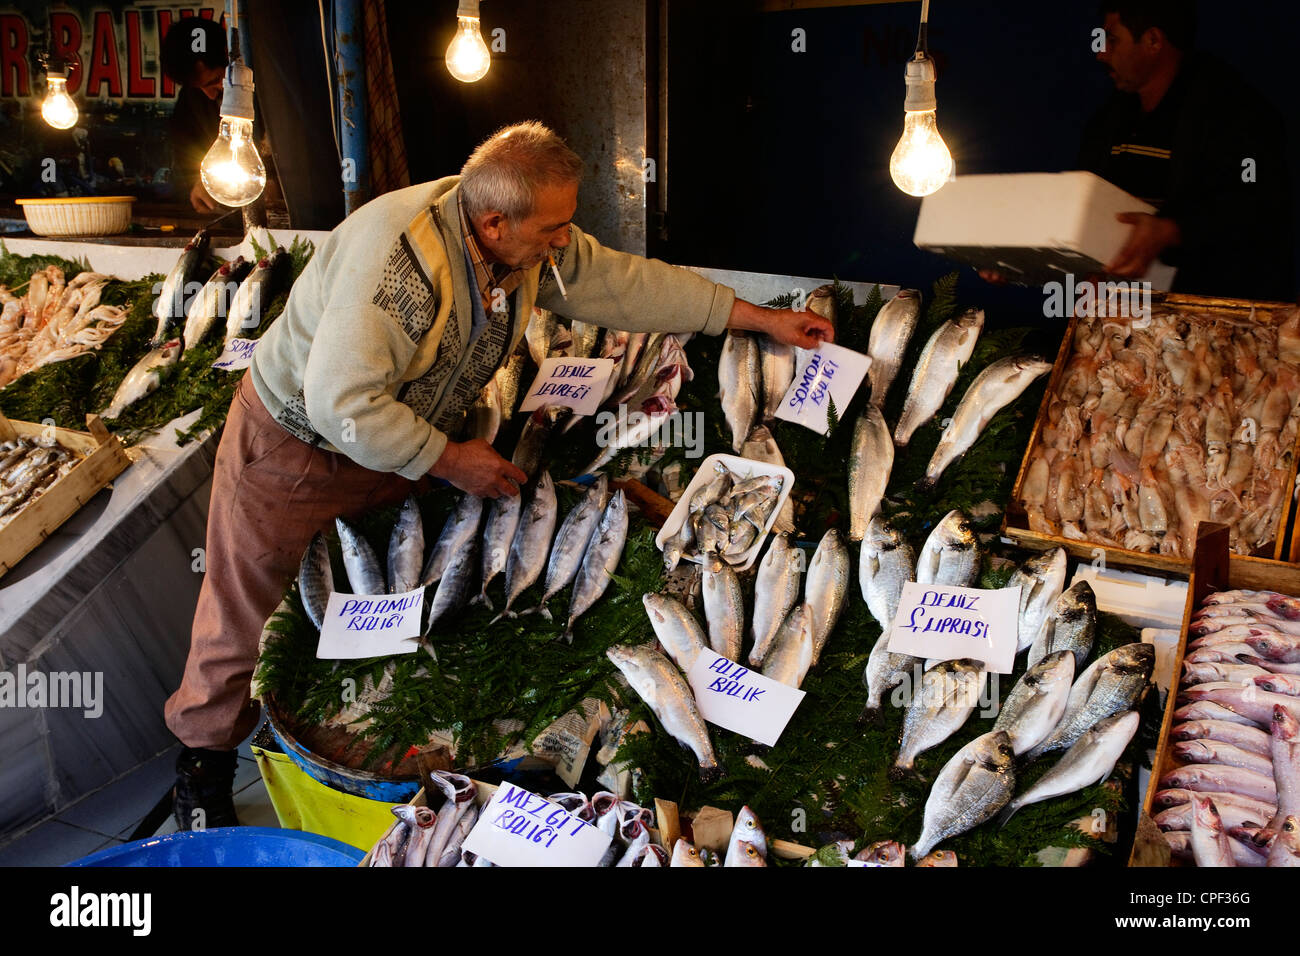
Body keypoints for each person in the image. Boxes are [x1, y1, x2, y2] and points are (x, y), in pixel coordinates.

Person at [162, 121, 834, 829]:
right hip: (301, 446)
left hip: (406, 436)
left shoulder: (519, 243)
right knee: (245, 595)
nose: (564, 242)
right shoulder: (396, 265)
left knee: (414, 580)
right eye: (555, 228)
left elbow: (619, 283)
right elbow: (340, 402)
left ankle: (390, 730)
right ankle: (203, 759)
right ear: (493, 221)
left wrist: (754, 317)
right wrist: (448, 459)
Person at [1080, 0, 1294, 300]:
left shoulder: (1237, 115)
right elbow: (1083, 207)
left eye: (1112, 39)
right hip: (1119, 314)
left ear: (1153, 40)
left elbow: (1262, 207)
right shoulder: (1106, 124)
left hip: (1210, 318)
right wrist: (1022, 259)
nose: (1101, 53)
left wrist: (1170, 231)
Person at [160, 17, 226, 214]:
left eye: (215, 80)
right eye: (199, 88)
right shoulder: (191, 97)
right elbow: (185, 146)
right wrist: (197, 182)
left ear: (229, 55)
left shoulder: (272, 88)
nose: (211, 94)